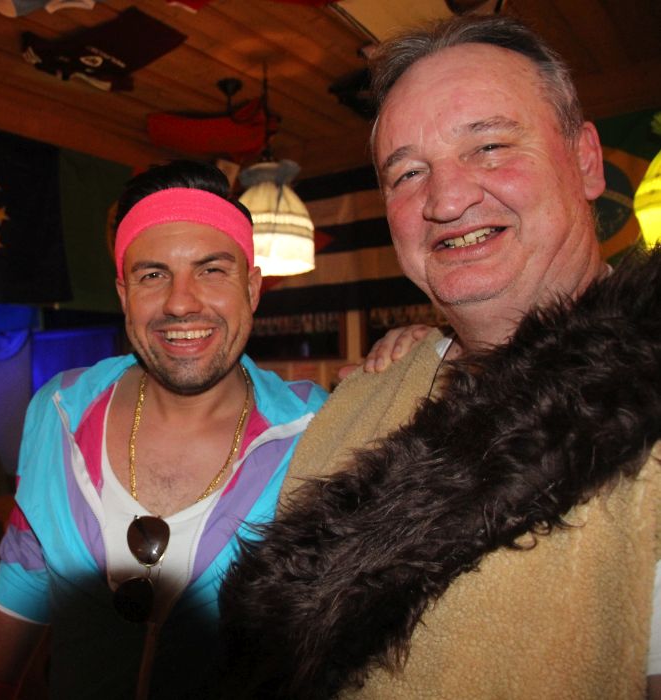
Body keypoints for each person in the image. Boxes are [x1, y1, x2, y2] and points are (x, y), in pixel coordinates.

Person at [220, 14, 661, 700]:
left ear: (585, 160)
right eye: (409, 173)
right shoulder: (361, 399)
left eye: (489, 146)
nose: (447, 200)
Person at [0, 160, 329, 699]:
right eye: (153, 275)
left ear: (252, 288)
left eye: (212, 270)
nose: (180, 302)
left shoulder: (319, 429)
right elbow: (28, 562)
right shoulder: (59, 409)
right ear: (124, 294)